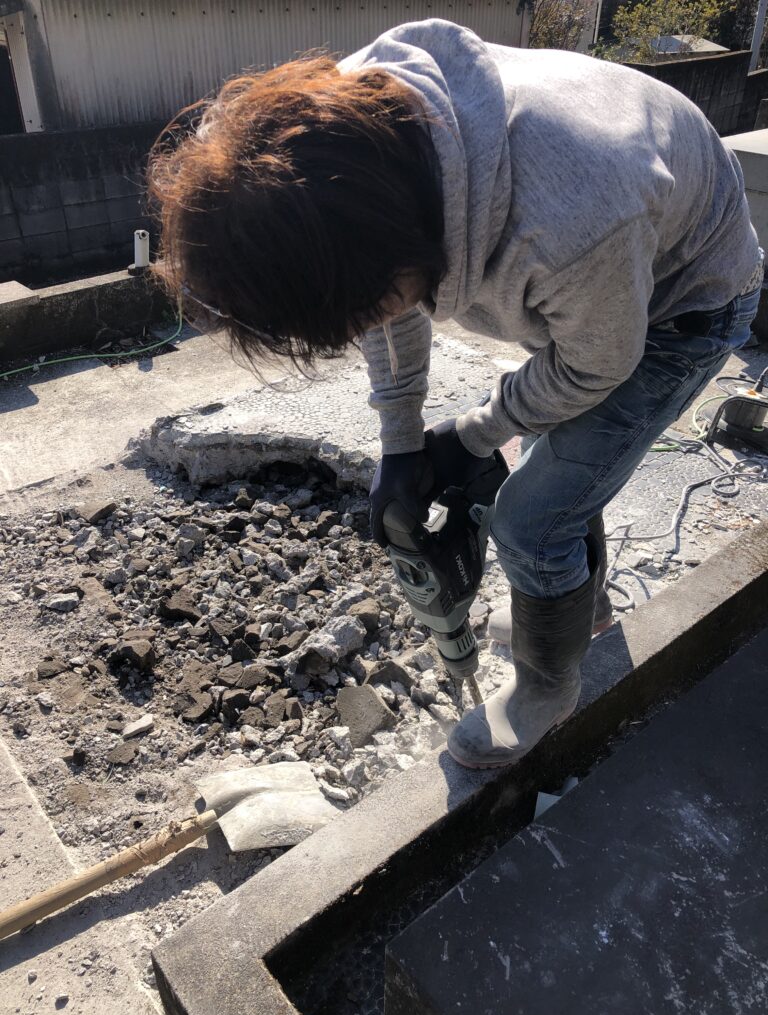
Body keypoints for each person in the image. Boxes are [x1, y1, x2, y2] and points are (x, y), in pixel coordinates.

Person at [148, 19, 763, 771]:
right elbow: (385, 303)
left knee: (533, 518)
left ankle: (547, 687)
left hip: (686, 303)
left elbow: (594, 365)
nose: (368, 325)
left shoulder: (571, 217)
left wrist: (475, 432)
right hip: (599, 285)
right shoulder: (347, 145)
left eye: (366, 308)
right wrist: (401, 440)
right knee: (562, 473)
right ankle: (581, 612)